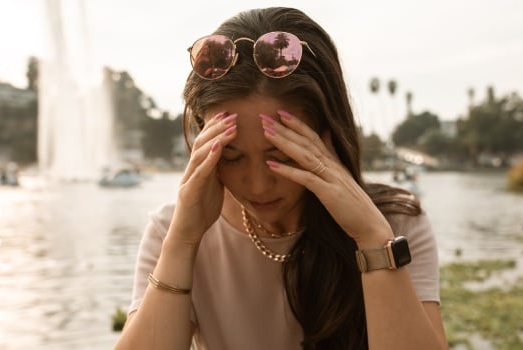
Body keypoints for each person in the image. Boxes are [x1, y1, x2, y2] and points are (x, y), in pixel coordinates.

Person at [115, 7, 447, 350]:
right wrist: (182, 243)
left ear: (327, 134)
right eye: (232, 156)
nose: (257, 185)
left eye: (282, 156)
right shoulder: (172, 231)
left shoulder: (394, 224)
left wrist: (372, 240)